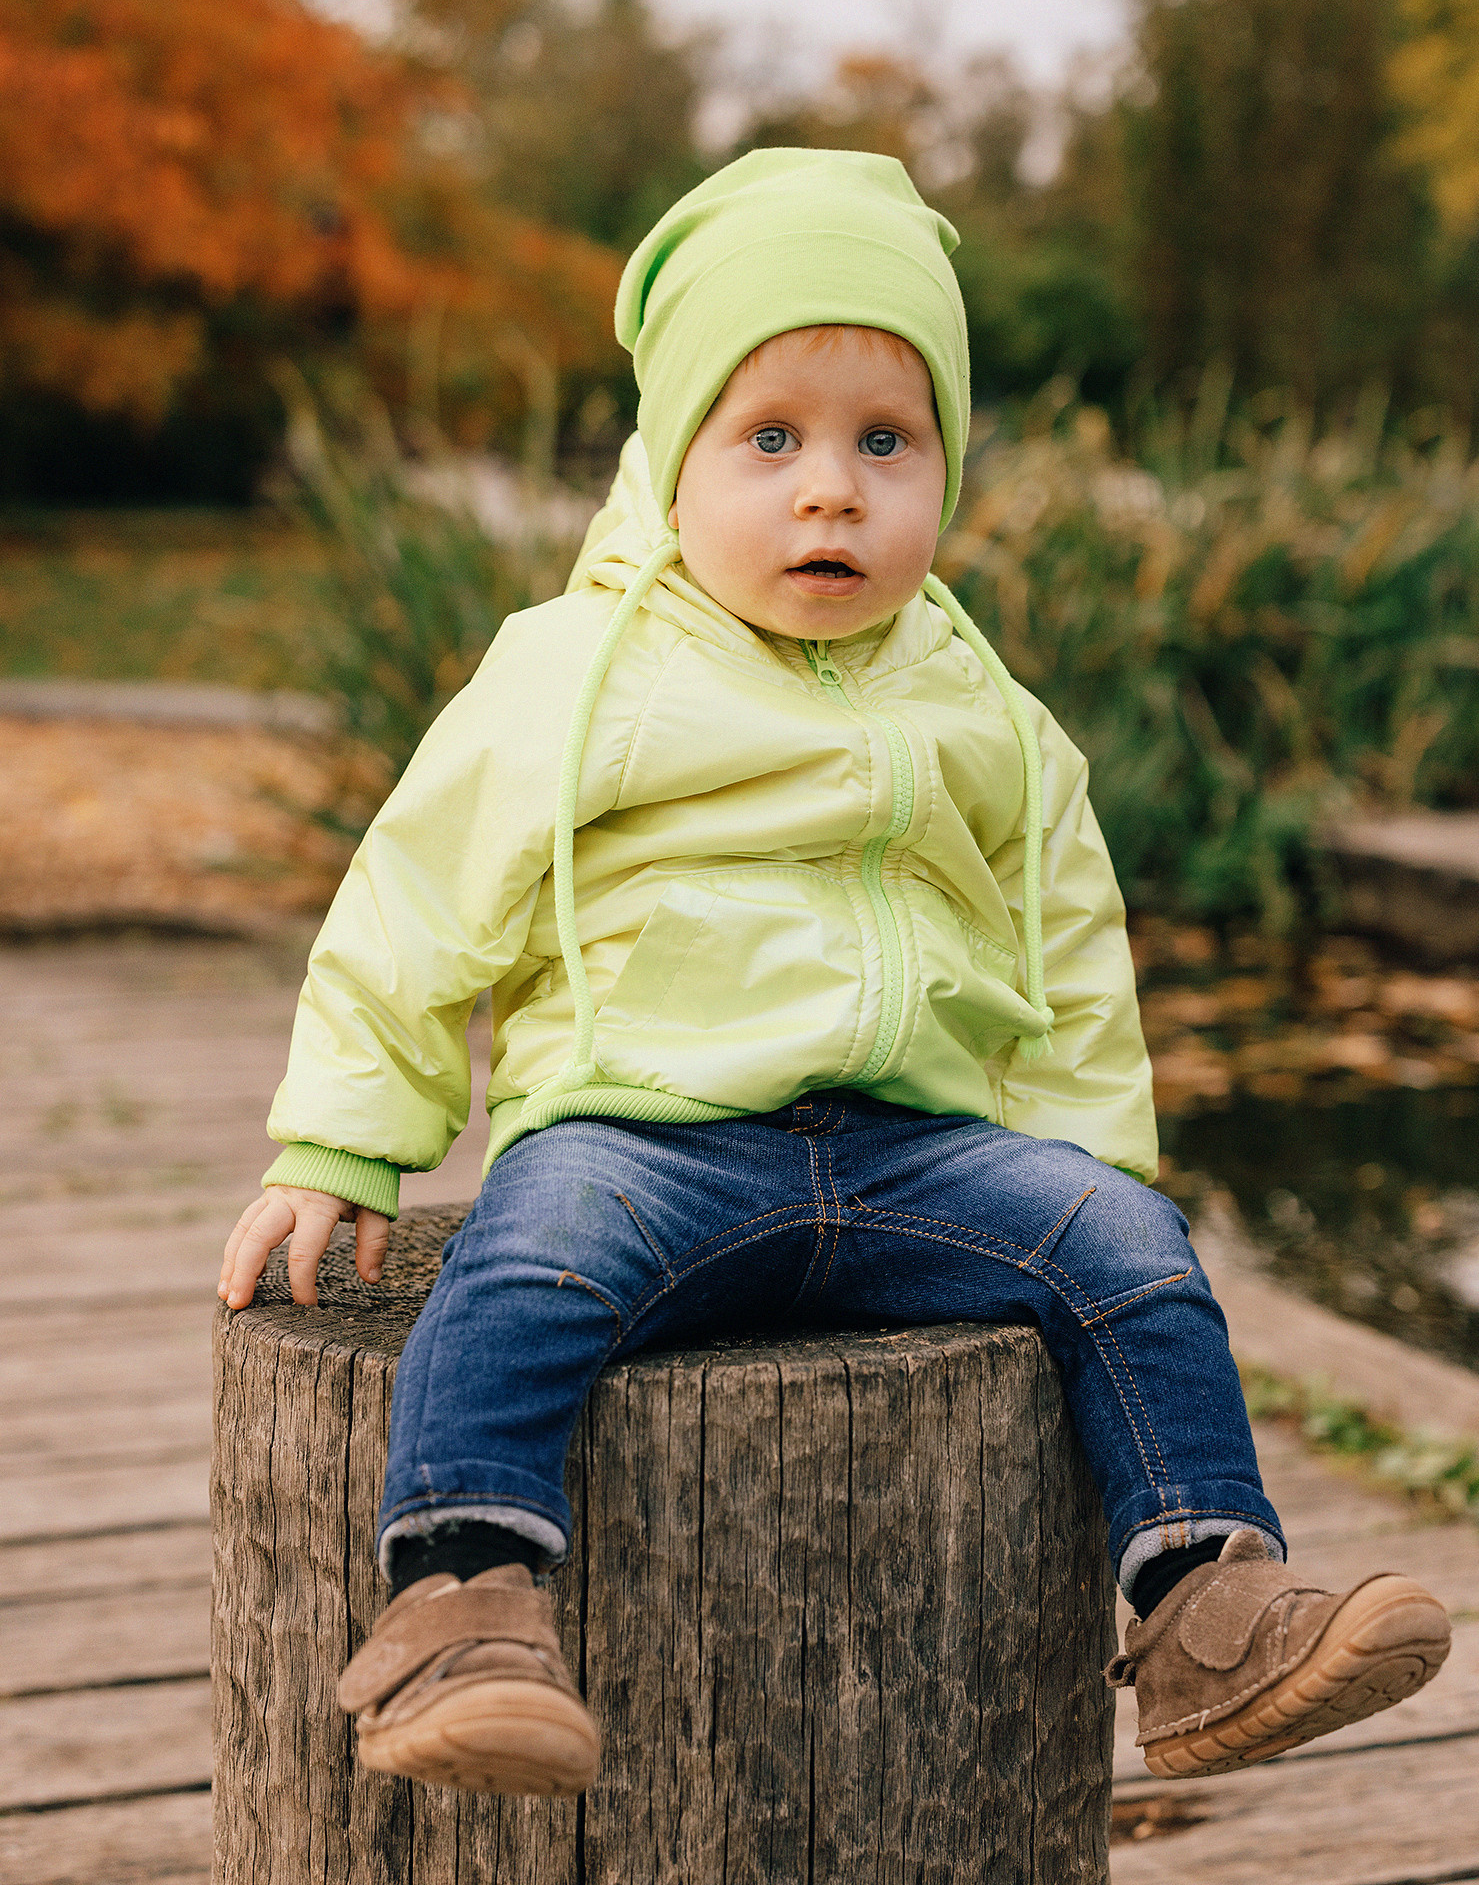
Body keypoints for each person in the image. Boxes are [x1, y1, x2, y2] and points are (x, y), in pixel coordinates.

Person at [219, 149, 1450, 1798]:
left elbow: (1063, 934)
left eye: (888, 441)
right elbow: (423, 891)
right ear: (671, 464)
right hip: (648, 1131)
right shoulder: (583, 668)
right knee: (526, 1262)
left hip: (915, 1153)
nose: (831, 491)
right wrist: (343, 1136)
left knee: (1131, 1250)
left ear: (944, 464)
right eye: (771, 440)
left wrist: (1083, 1157)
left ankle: (1208, 1608)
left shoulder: (980, 700)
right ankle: (459, 1603)